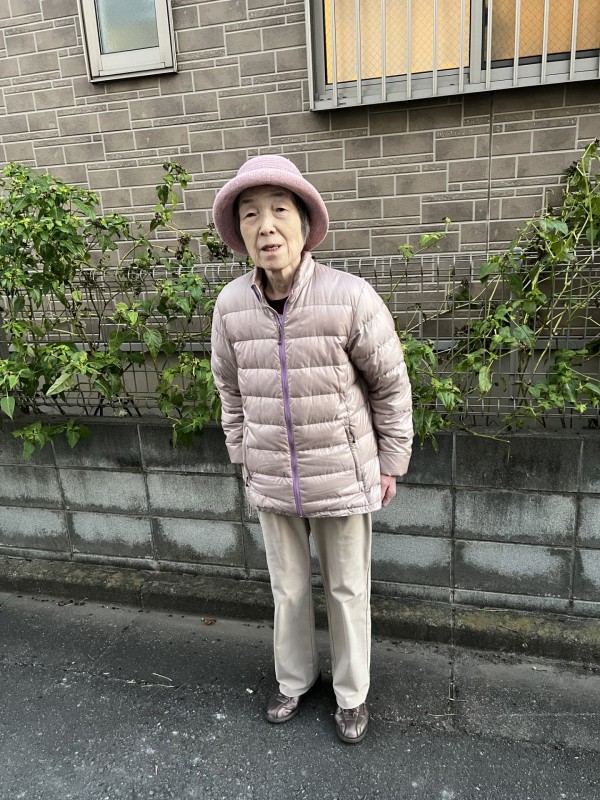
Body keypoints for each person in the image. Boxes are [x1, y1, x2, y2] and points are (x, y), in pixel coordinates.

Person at [210, 155, 413, 744]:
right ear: (240, 231)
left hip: (342, 471)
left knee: (347, 589)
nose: (266, 227)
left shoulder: (350, 297)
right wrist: (242, 453)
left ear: (304, 223)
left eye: (279, 211)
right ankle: (295, 679)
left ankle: (352, 694)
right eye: (251, 215)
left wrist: (391, 462)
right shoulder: (231, 306)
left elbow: (391, 386)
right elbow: (229, 389)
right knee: (288, 588)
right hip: (271, 472)